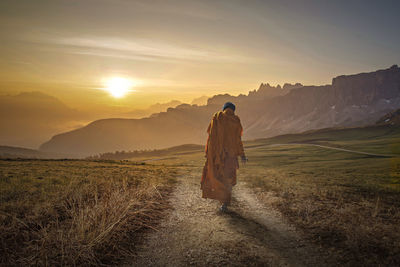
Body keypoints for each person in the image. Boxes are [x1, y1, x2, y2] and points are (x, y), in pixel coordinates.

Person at [201, 102, 247, 212]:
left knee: (219, 178)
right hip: (231, 156)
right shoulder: (236, 120)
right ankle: (225, 202)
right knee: (228, 179)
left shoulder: (217, 117)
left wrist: (209, 153)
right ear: (233, 110)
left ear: (224, 108)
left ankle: (223, 201)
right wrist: (242, 154)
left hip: (217, 156)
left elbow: (210, 136)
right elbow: (238, 140)